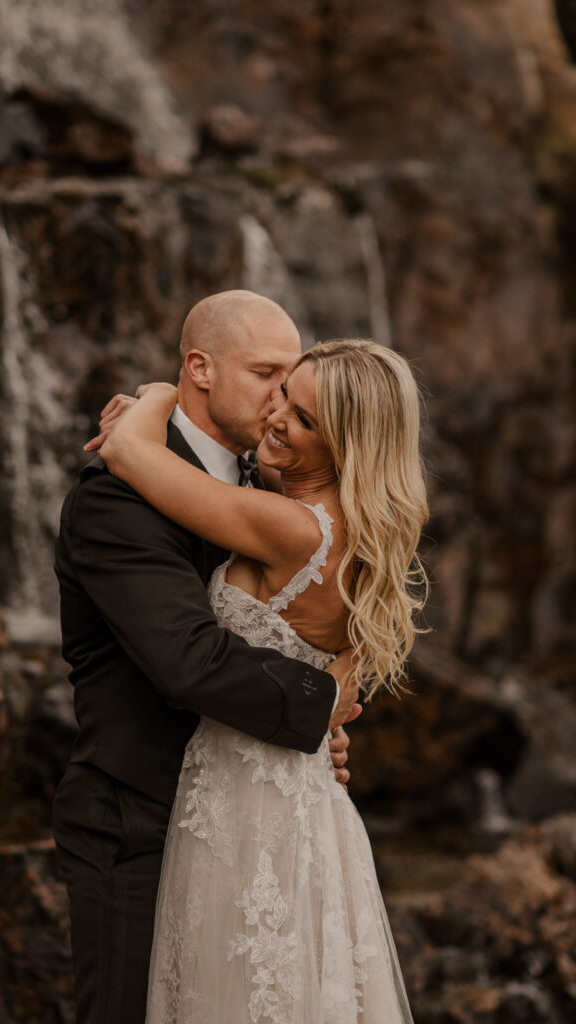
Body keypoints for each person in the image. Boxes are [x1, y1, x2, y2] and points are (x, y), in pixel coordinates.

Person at [97, 337, 429, 1023]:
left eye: (305, 420)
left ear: (347, 445)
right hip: (303, 797)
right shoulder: (355, 532)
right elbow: (325, 676)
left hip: (246, 802)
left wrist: (159, 397)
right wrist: (328, 711)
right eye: (282, 395)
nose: (277, 419)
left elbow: (127, 454)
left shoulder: (291, 528)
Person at [52, 291, 359, 1024]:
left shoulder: (270, 485)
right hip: (138, 821)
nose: (281, 402)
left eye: (291, 384)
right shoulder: (115, 498)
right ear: (199, 368)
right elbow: (186, 660)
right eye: (265, 374)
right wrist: (322, 707)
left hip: (248, 822)